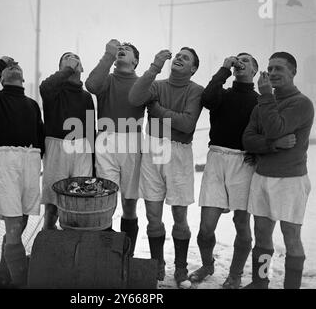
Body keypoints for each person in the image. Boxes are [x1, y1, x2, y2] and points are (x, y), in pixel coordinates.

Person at [128, 47, 204, 286]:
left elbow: (187, 123)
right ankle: (156, 263)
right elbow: (134, 98)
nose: (180, 58)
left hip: (179, 153)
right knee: (153, 216)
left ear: (193, 68)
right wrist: (154, 67)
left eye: (186, 57)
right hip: (152, 150)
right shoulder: (157, 84)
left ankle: (180, 268)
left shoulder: (196, 90)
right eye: (178, 55)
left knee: (179, 214)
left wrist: (158, 110)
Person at [242, 52, 314, 289]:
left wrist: (265, 97)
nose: (272, 73)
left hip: (291, 180)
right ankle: (260, 282)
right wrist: (273, 145)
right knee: (262, 234)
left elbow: (274, 128)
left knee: (290, 237)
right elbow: (249, 140)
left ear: (293, 72)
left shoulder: (301, 103)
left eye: (279, 69)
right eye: (270, 68)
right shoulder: (263, 103)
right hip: (262, 177)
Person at [188, 53, 259, 289]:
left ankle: (235, 275)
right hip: (216, 158)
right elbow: (207, 98)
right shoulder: (222, 94)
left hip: (244, 163)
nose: (241, 62)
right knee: (205, 229)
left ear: (255, 71)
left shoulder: (260, 101)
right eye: (238, 59)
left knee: (242, 223)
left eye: (246, 60)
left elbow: (264, 131)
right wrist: (224, 69)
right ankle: (208, 265)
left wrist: (257, 152)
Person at [0, 56, 45, 288]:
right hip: (8, 162)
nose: (12, 68)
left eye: (16, 66)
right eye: (8, 69)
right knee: (14, 228)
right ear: (2, 78)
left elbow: (42, 138)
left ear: (23, 79)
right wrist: (1, 61)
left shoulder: (32, 105)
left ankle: (2, 276)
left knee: (21, 223)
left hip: (32, 162)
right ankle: (20, 284)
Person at [85, 39, 144, 254]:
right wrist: (108, 56)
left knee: (129, 203)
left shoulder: (142, 84)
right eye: (120, 49)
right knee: (106, 202)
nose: (122, 50)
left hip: (132, 141)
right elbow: (91, 85)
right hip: (106, 141)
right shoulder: (107, 80)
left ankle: (127, 255)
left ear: (135, 61)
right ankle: (107, 255)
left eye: (127, 50)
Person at [40, 52, 95, 229]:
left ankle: (73, 240)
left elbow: (90, 130)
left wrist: (94, 160)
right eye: (66, 57)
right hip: (56, 145)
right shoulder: (53, 92)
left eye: (76, 57)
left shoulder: (86, 97)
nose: (72, 58)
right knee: (53, 204)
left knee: (79, 199)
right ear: (60, 68)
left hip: (82, 148)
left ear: (82, 68)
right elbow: (45, 88)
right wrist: (67, 69)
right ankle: (48, 233)